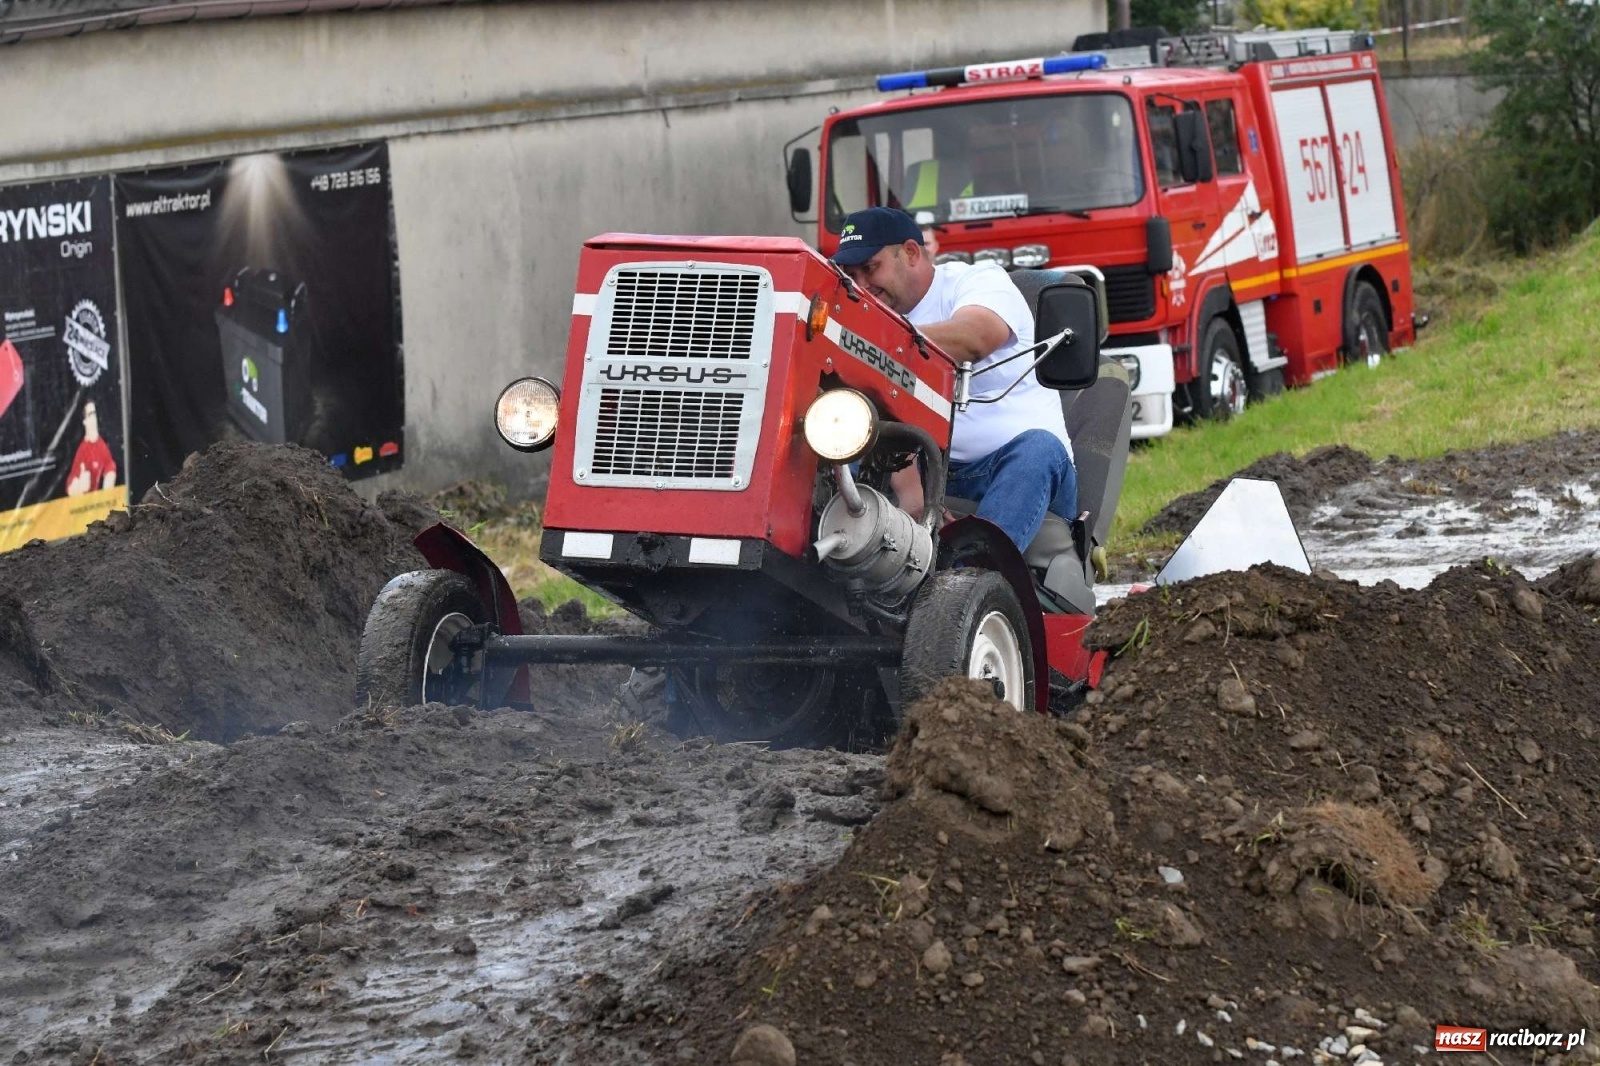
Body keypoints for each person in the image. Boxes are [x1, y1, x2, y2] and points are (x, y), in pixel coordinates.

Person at [831, 206, 1076, 555]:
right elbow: (880, 409)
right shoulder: (861, 312)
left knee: (1039, 448)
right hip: (931, 468)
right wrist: (912, 489)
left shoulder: (978, 281)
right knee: (833, 441)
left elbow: (975, 338)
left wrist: (875, 336)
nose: (861, 285)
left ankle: (972, 575)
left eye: (870, 268)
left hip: (1015, 469)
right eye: (851, 274)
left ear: (911, 253)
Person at [65, 398, 117, 497]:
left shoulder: (102, 445)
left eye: (95, 414)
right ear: (84, 421)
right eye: (90, 415)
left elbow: (110, 466)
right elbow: (70, 487)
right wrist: (79, 487)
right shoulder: (81, 449)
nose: (94, 418)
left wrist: (110, 475)